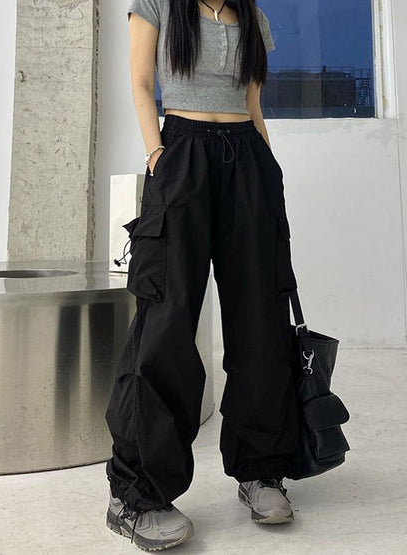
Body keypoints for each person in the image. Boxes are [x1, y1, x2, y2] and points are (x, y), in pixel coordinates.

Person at [105, 0, 300, 550]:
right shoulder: (157, 6)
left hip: (248, 161)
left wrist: (269, 173)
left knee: (260, 320)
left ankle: (261, 469)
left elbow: (252, 103)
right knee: (165, 323)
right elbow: (142, 83)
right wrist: (158, 155)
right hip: (182, 154)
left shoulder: (252, 17)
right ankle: (136, 494)